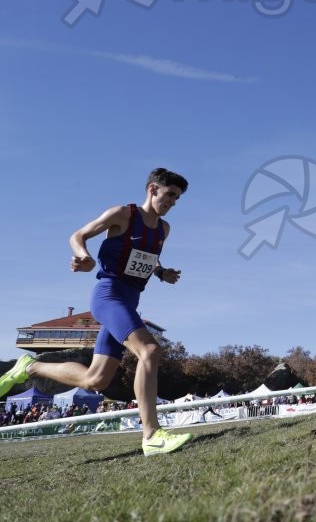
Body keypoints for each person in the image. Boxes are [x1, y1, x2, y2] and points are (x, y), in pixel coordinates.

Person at [0, 168, 193, 455]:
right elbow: (78, 235)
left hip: (129, 303)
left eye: (177, 199)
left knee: (96, 380)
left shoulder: (164, 230)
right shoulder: (122, 214)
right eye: (169, 195)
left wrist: (162, 272)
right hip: (108, 296)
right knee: (149, 350)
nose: (172, 203)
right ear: (153, 189)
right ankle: (151, 435)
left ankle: (29, 367)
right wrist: (84, 256)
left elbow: (145, 258)